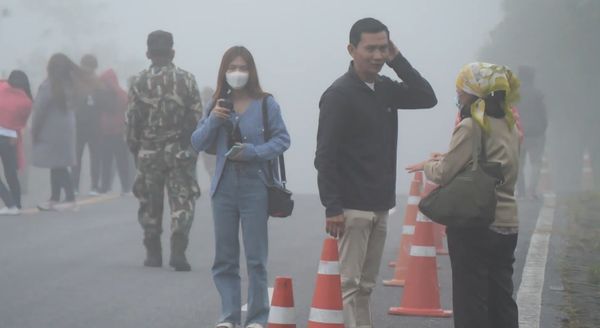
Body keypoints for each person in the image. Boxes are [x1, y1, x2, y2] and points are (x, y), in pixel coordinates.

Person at [314, 18, 437, 328]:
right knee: (349, 284)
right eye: (370, 48)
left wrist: (398, 61)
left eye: (383, 48)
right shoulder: (338, 95)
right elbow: (324, 156)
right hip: (350, 209)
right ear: (352, 49)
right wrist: (332, 207)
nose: (377, 56)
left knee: (367, 285)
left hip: (380, 204)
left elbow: (427, 97)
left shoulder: (385, 88)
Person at [407, 62, 521, 328]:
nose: (458, 93)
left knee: (471, 301)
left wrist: (427, 165)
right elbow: (495, 164)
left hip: (475, 223)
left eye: (463, 88)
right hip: (507, 223)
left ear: (477, 92)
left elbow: (445, 173)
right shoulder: (510, 125)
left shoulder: (471, 126)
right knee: (502, 299)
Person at [191, 46, 290, 328]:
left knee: (256, 257)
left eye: (242, 67)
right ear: (224, 71)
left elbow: (282, 140)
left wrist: (253, 151)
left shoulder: (266, 103)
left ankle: (257, 317)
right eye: (232, 67)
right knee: (224, 258)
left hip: (255, 186)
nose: (237, 73)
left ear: (251, 70)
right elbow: (196, 143)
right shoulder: (216, 104)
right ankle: (229, 317)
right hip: (223, 187)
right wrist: (213, 121)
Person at [126, 30, 202, 271]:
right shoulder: (187, 79)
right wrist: (190, 146)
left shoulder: (138, 82)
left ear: (148, 53)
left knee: (149, 202)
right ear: (172, 52)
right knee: (182, 200)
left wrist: (135, 147)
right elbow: (197, 117)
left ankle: (153, 252)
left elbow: (132, 120)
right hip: (179, 150)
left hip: (148, 151)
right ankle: (179, 247)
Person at [31, 54, 79, 211]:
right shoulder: (70, 84)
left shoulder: (49, 85)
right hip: (66, 129)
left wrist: (35, 130)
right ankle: (54, 197)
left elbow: (39, 110)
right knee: (57, 163)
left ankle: (70, 198)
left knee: (58, 165)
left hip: (51, 130)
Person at [72, 54, 106, 196]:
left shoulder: (98, 83)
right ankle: (74, 186)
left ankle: (94, 186)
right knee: (76, 157)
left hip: (93, 124)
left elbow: (103, 104)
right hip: (79, 123)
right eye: (85, 66)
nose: (87, 70)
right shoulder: (75, 81)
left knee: (95, 156)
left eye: (90, 67)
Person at [0, 70, 33, 214]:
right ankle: (17, 203)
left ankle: (10, 203)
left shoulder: (2, 89)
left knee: (9, 173)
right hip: (11, 139)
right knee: (10, 173)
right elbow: (22, 122)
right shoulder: (27, 101)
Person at [98, 69, 133, 194]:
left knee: (113, 161)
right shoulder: (119, 94)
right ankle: (119, 186)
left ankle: (112, 186)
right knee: (114, 161)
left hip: (112, 132)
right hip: (113, 132)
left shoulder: (110, 94)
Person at [515, 65, 547, 199]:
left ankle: (521, 192)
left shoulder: (514, 95)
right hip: (536, 134)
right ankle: (531, 191)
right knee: (536, 163)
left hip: (519, 134)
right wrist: (543, 128)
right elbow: (543, 115)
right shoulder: (538, 94)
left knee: (518, 165)